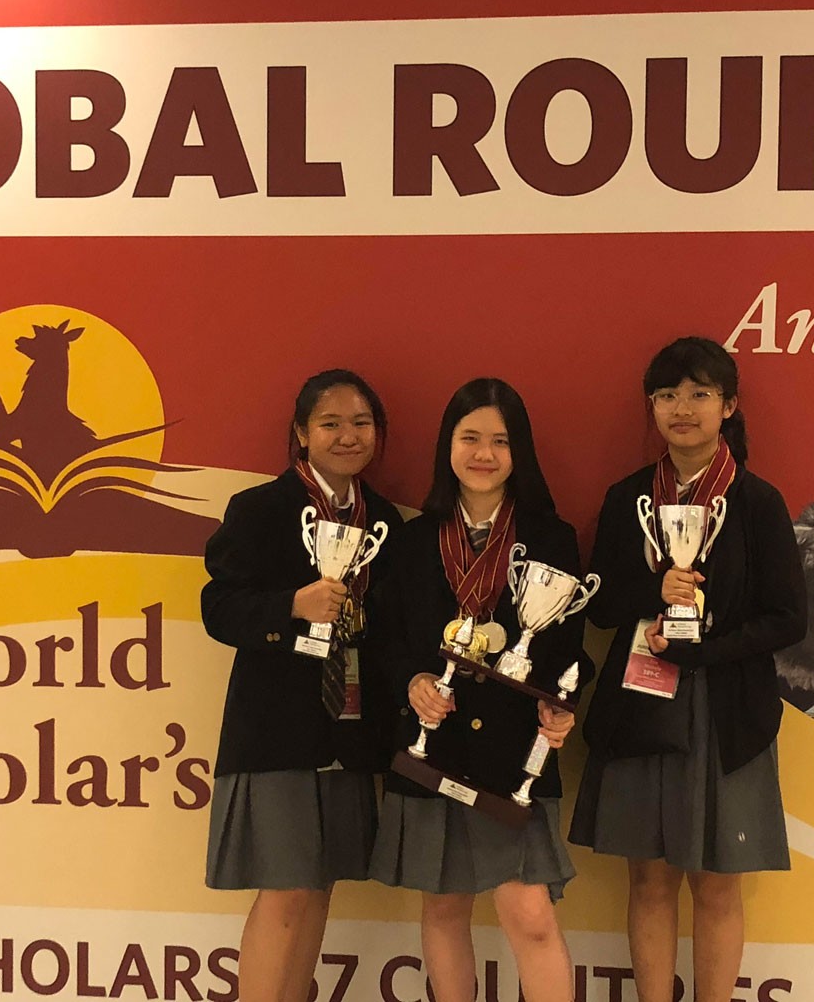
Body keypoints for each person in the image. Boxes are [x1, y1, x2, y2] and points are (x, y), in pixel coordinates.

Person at [569, 337, 807, 1002]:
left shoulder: (757, 503)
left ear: (728, 406)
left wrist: (703, 649)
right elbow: (601, 606)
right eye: (668, 394)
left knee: (717, 882)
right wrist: (654, 592)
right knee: (648, 881)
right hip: (643, 707)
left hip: (728, 714)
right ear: (651, 406)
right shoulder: (626, 501)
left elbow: (788, 619)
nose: (683, 408)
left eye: (700, 394)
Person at [370, 377, 591, 1002]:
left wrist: (559, 704)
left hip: (513, 750)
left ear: (519, 451)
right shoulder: (414, 540)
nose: (484, 453)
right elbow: (389, 642)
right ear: (448, 447)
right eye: (470, 438)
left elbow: (565, 652)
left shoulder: (552, 539)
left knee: (530, 915)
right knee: (443, 908)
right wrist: (411, 681)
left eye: (500, 440)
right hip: (432, 744)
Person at [201, 369, 402, 1002]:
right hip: (275, 727)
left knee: (320, 884)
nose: (348, 436)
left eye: (361, 423)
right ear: (301, 434)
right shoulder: (260, 508)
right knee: (286, 886)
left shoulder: (387, 521)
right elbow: (219, 608)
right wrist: (293, 604)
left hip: (348, 724)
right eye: (331, 423)